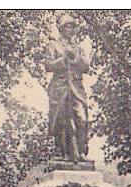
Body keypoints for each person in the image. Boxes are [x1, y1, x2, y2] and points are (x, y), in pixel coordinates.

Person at [45, 13, 89, 163]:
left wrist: (75, 57)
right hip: (59, 87)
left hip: (76, 87)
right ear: (61, 29)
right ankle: (60, 151)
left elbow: (86, 66)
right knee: (60, 120)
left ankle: (82, 151)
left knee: (82, 119)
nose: (70, 29)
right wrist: (63, 59)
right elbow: (48, 65)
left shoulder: (78, 48)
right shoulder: (53, 45)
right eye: (67, 26)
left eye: (72, 26)